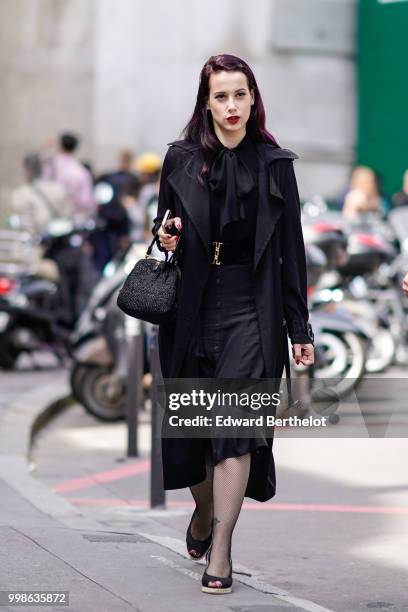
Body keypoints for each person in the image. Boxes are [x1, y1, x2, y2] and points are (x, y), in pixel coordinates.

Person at [152, 54, 314, 595]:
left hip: (253, 306)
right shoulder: (178, 159)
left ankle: (219, 551)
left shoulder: (275, 163)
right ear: (207, 102)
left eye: (240, 95)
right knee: (196, 433)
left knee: (235, 432)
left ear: (253, 98)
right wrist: (166, 235)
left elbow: (292, 250)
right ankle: (203, 517)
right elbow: (164, 225)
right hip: (192, 307)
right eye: (221, 96)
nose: (231, 106)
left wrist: (300, 329)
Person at [11, 153, 73, 233]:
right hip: (58, 241)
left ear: (28, 170)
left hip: (33, 242)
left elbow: (18, 223)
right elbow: (68, 217)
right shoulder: (59, 189)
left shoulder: (20, 194)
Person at [42, 132, 95, 222]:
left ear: (60, 146)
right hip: (73, 219)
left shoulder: (50, 166)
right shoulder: (82, 172)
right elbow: (86, 201)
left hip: (50, 218)